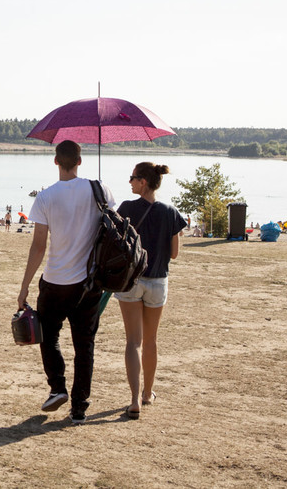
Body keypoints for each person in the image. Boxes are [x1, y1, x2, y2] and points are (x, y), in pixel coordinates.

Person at [16, 140, 114, 425]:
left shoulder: (46, 198)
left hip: (56, 281)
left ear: (55, 161)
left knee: (48, 336)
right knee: (85, 345)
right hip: (89, 283)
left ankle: (57, 387)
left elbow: (38, 247)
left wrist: (24, 287)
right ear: (80, 161)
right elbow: (111, 228)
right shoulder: (100, 190)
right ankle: (80, 408)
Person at [114, 162, 187, 420]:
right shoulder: (170, 212)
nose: (130, 182)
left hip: (131, 281)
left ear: (143, 181)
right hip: (157, 281)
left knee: (133, 341)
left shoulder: (126, 208)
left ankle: (134, 400)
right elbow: (175, 253)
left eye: (133, 178)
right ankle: (148, 393)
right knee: (151, 341)